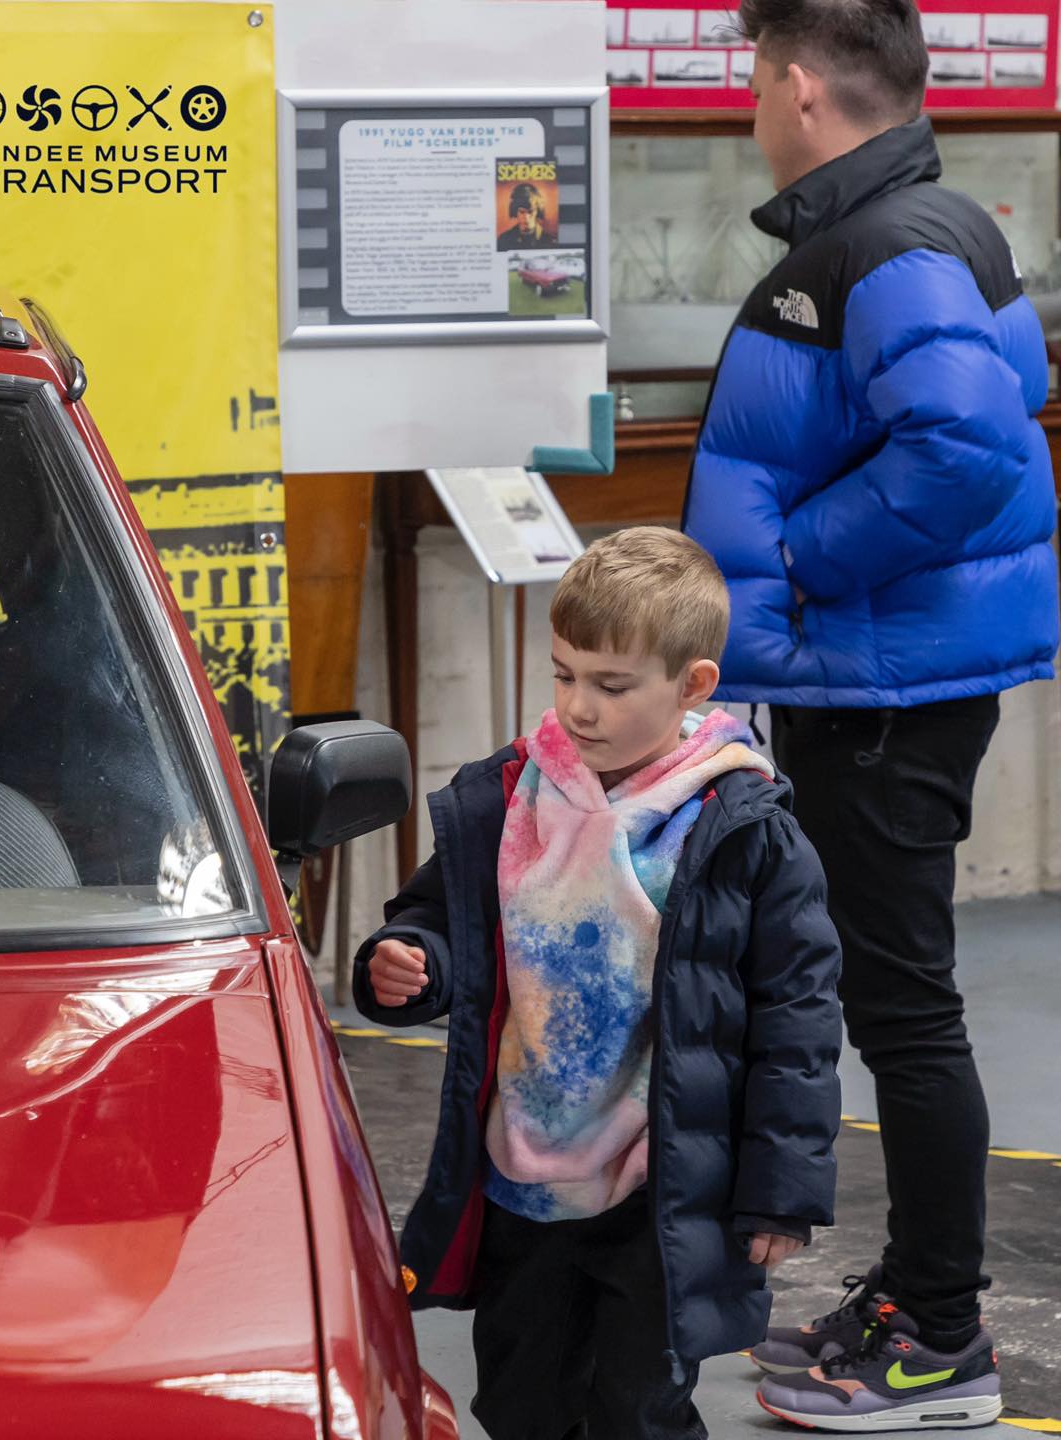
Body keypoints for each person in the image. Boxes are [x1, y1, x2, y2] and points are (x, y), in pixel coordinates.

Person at [683, 0, 1058, 1429]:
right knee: (889, 999)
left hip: (886, 688)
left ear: (796, 88)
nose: (751, 112)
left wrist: (796, 570)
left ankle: (941, 1339)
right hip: (887, 680)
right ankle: (913, 1287)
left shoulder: (887, 249)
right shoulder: (929, 222)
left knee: (904, 1010)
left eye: (753, 86)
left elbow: (964, 451)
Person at [352, 527, 843, 1440]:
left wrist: (780, 1187)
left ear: (693, 685)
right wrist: (409, 962)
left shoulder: (741, 827)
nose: (579, 706)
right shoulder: (509, 797)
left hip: (660, 1184)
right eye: (564, 674)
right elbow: (443, 921)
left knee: (637, 1410)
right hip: (521, 1173)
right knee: (520, 1399)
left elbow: (798, 1020)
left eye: (612, 686)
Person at [497, 181, 557, 249]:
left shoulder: (551, 242)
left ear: (538, 211)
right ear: (515, 211)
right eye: (522, 212)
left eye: (531, 211)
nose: (526, 217)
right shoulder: (504, 241)